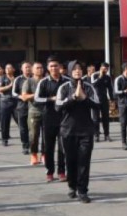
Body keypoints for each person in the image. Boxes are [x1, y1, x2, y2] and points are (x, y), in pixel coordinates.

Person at [55, 60, 98, 203]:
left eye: (80, 68)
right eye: (74, 68)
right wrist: (74, 97)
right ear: (69, 71)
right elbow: (58, 106)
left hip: (86, 130)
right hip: (68, 130)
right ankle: (72, 186)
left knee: (84, 162)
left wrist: (84, 97)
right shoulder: (64, 87)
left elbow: (97, 105)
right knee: (71, 161)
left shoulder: (89, 87)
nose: (78, 71)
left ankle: (82, 191)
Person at [35, 57, 69, 182]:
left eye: (56, 65)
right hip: (48, 118)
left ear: (60, 67)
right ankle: (49, 171)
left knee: (63, 147)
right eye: (51, 66)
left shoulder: (67, 81)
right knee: (48, 147)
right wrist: (51, 99)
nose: (54, 68)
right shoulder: (43, 82)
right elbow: (37, 99)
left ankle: (62, 172)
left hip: (64, 119)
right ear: (48, 68)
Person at [22, 62, 45, 165]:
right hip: (34, 112)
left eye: (41, 67)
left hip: (47, 112)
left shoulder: (46, 81)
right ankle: (34, 154)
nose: (39, 69)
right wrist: (36, 95)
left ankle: (44, 154)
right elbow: (24, 97)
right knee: (34, 135)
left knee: (46, 136)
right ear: (32, 70)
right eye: (37, 68)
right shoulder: (28, 82)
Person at [91, 63, 114, 142]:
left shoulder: (108, 77)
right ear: (100, 68)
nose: (105, 70)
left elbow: (110, 89)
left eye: (106, 69)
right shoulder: (94, 75)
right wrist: (100, 76)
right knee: (95, 118)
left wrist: (112, 99)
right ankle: (96, 135)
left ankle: (106, 135)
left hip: (104, 99)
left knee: (106, 118)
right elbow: (93, 85)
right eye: (104, 68)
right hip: (95, 100)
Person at [13, 62, 32, 154]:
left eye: (29, 67)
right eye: (26, 67)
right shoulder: (18, 79)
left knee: (33, 128)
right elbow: (14, 93)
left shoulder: (35, 79)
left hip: (33, 107)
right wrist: (21, 97)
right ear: (22, 69)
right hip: (22, 107)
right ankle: (25, 145)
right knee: (23, 128)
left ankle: (33, 145)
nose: (28, 69)